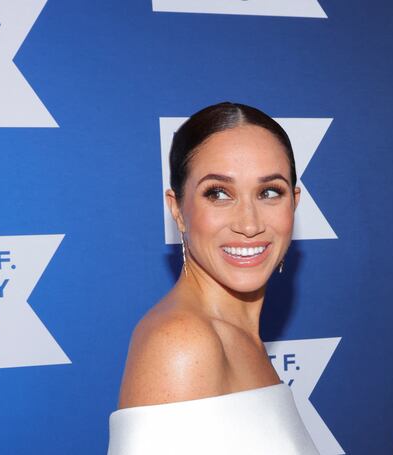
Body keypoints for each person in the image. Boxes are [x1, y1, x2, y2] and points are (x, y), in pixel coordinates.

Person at [107, 102, 318, 454]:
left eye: (269, 192)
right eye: (219, 193)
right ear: (177, 209)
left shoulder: (237, 334)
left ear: (293, 203)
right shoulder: (181, 343)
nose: (249, 224)